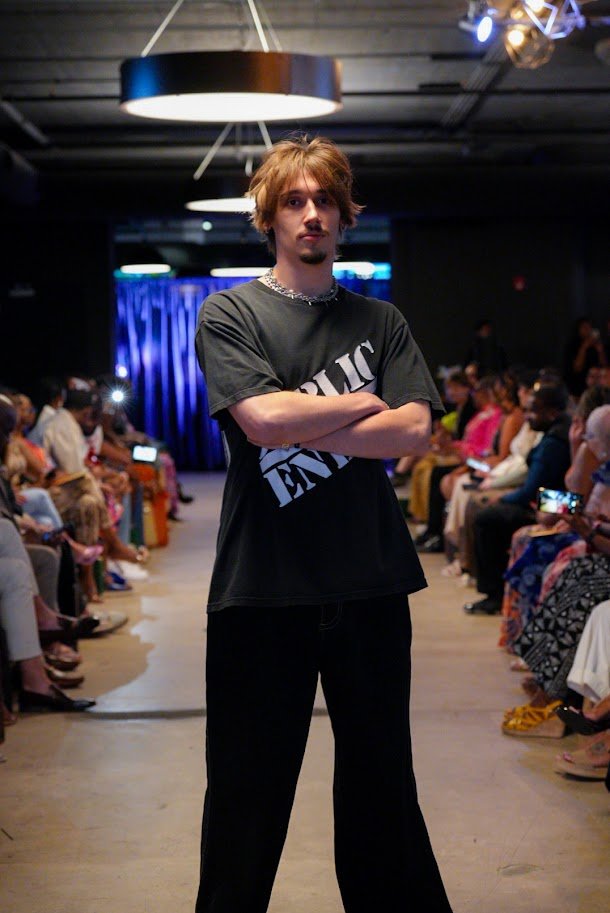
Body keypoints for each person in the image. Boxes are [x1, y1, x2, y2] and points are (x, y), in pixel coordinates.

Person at [194, 136, 453, 913]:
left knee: (382, 790)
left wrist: (302, 421)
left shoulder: (380, 319)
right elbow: (264, 419)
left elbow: (415, 434)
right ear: (270, 218)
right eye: (294, 201)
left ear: (344, 217)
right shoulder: (231, 312)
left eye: (324, 201)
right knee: (246, 794)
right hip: (261, 590)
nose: (311, 214)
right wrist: (361, 405)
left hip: (370, 585)